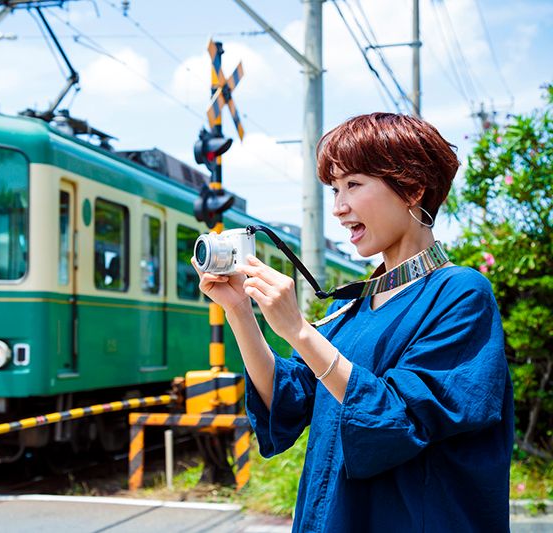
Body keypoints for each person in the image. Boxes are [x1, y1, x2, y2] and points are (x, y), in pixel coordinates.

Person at [192, 113, 513, 531]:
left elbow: (400, 417)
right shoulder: (350, 307)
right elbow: (290, 400)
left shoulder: (460, 293)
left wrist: (301, 331)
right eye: (334, 189)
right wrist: (239, 311)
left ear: (412, 188)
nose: (340, 208)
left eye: (354, 185)